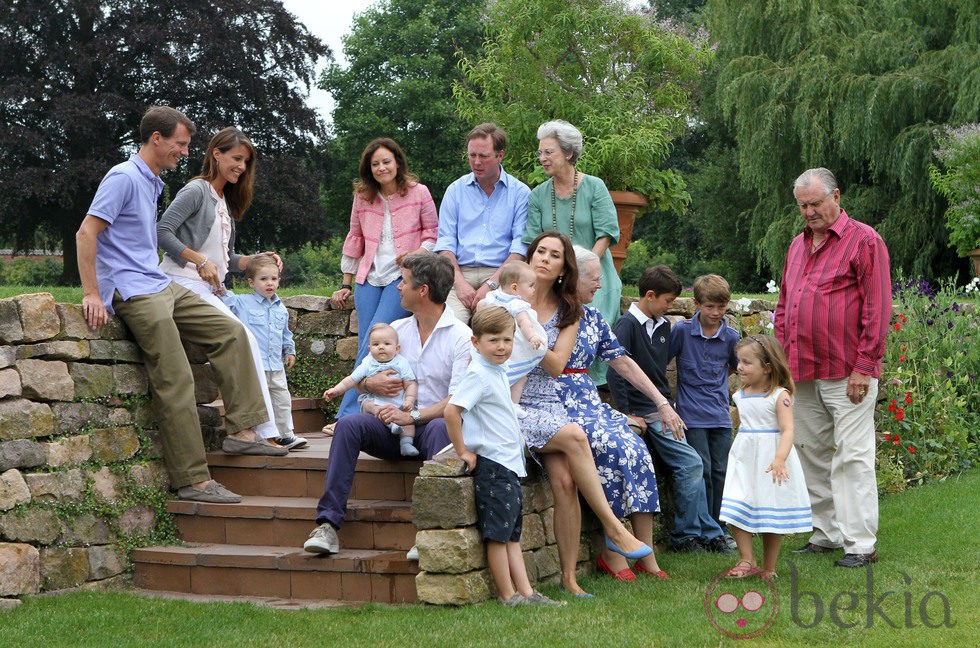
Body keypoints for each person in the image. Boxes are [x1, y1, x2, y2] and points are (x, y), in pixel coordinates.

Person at [76, 106, 272, 504]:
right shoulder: (124, 177)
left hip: (158, 281)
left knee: (232, 333)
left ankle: (242, 432)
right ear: (157, 139)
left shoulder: (152, 182)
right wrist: (93, 294)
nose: (185, 152)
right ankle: (194, 481)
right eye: (180, 144)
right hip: (134, 292)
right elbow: (86, 232)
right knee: (175, 375)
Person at [304, 252, 472, 554]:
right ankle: (327, 526)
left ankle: (429, 533)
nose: (397, 287)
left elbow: (457, 400)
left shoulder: (461, 336)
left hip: (432, 429)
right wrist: (369, 385)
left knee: (439, 427)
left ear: (423, 290)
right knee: (348, 425)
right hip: (389, 427)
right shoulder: (396, 330)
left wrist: (414, 416)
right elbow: (366, 376)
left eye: (404, 282)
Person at [518, 230, 653, 598]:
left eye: (554, 255)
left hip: (549, 403)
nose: (544, 258)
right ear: (530, 258)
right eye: (540, 252)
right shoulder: (507, 299)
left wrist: (530, 337)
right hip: (512, 403)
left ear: (565, 269)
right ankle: (614, 528)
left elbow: (557, 366)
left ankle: (569, 579)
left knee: (565, 483)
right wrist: (514, 319)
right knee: (577, 435)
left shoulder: (570, 312)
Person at [157, 126, 301, 452]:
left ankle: (260, 431)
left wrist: (255, 260)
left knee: (244, 335)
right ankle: (250, 432)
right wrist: (198, 261)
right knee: (240, 335)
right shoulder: (197, 191)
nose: (241, 166)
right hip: (181, 281)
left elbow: (225, 259)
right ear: (216, 154)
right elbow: (162, 232)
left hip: (209, 288)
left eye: (246, 162)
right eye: (236, 158)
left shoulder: (222, 202)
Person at [775, 168, 891, 568]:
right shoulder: (796, 245)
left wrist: (865, 367)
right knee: (812, 452)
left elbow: (877, 309)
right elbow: (785, 305)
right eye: (802, 206)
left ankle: (859, 543)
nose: (808, 212)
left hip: (847, 371)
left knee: (852, 457)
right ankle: (825, 534)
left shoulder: (865, 241)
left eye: (815, 204)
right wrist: (781, 365)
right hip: (802, 370)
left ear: (836, 197)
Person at [557, 246, 682, 581]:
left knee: (637, 449)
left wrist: (661, 402)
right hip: (556, 402)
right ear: (572, 277)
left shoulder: (594, 317)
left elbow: (622, 361)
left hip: (587, 399)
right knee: (612, 449)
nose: (600, 285)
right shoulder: (547, 315)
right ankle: (612, 554)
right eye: (595, 278)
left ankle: (646, 553)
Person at [608, 265, 732, 555]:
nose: (671, 307)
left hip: (664, 408)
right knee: (691, 463)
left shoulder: (663, 326)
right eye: (668, 301)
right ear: (650, 296)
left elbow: (660, 372)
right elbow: (616, 371)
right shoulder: (626, 326)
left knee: (694, 464)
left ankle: (706, 531)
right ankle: (687, 536)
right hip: (643, 411)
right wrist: (627, 412)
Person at [445, 306, 563, 606]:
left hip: (508, 464)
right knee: (498, 535)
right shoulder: (478, 375)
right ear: (476, 342)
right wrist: (463, 451)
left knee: (512, 533)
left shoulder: (496, 371)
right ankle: (507, 595)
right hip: (493, 465)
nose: (502, 347)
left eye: (507, 340)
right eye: (493, 340)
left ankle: (526, 593)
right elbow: (452, 411)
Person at [327, 138, 438, 426]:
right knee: (369, 341)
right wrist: (346, 283)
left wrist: (416, 253)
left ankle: (348, 414)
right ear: (368, 169)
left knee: (371, 342)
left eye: (386, 161)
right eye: (375, 164)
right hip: (368, 277)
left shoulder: (419, 192)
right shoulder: (363, 197)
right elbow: (354, 238)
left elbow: (433, 232)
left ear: (398, 162)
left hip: (400, 277)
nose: (381, 167)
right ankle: (371, 410)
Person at [523, 120, 621, 385]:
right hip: (551, 274)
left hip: (593, 272)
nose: (542, 158)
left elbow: (607, 233)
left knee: (586, 318)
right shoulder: (538, 195)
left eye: (548, 152)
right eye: (540, 152)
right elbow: (533, 242)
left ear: (568, 153)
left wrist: (580, 269)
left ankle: (586, 384)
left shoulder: (594, 186)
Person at [720, 335, 812, 579]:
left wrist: (780, 458)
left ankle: (769, 568)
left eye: (747, 362)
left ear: (768, 366)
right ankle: (746, 559)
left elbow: (788, 430)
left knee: (772, 510)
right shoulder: (741, 394)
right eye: (739, 361)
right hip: (745, 457)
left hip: (772, 459)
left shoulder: (779, 395)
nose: (739, 367)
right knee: (736, 503)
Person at [668, 274, 740, 545]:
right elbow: (663, 361)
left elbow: (735, 366)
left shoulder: (731, 336)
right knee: (704, 470)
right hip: (691, 415)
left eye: (721, 307)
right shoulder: (682, 332)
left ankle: (720, 527)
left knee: (722, 470)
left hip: (720, 415)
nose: (716, 313)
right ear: (696, 304)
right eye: (710, 307)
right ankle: (706, 528)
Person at [435, 123, 531, 323]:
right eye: (472, 155)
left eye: (484, 156)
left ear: (500, 155)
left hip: (501, 273)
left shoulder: (520, 193)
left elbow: (519, 248)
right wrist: (459, 284)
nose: (476, 162)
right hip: (458, 272)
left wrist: (491, 285)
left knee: (491, 326)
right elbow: (445, 243)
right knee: (450, 326)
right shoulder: (455, 190)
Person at [219, 255, 301, 447]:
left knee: (281, 398)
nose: (269, 283)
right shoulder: (242, 302)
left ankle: (285, 433)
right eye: (263, 279)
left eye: (273, 279)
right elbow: (222, 297)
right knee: (261, 400)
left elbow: (285, 334)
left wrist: (289, 350)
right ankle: (263, 434)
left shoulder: (281, 309)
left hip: (276, 364)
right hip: (256, 365)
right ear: (251, 282)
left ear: (279, 280)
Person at [322, 323, 420, 457]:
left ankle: (406, 444)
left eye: (386, 344)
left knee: (409, 417)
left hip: (398, 403)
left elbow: (410, 384)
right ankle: (391, 424)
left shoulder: (401, 363)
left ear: (397, 348)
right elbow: (351, 380)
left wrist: (409, 400)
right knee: (368, 405)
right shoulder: (368, 362)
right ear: (369, 348)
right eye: (376, 344)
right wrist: (336, 390)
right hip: (375, 402)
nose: (381, 347)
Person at [477, 260, 546, 411]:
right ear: (515, 287)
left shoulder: (492, 296)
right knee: (521, 376)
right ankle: (513, 405)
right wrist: (532, 337)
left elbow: (481, 305)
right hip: (513, 345)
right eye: (531, 286)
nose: (534, 290)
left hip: (491, 345)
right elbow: (524, 323)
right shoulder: (517, 304)